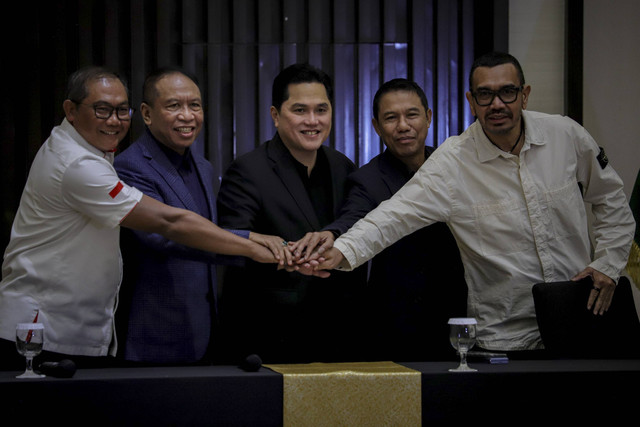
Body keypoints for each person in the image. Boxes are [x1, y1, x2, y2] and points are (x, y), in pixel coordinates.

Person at [312, 52, 635, 356]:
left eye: (507, 92)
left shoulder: (566, 135)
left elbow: (610, 198)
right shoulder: (453, 161)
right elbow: (392, 216)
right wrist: (340, 252)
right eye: (484, 94)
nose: (497, 104)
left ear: (525, 95)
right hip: (505, 336)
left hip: (582, 315)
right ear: (471, 101)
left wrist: (608, 262)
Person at [0, 66, 285, 370]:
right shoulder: (79, 164)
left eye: (122, 110)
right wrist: (251, 246)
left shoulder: (96, 151)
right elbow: (167, 225)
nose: (114, 120)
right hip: (41, 329)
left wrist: (252, 238)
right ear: (71, 110)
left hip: (80, 326)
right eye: (102, 110)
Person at [113, 68, 286, 365]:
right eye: (173, 106)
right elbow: (167, 238)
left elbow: (209, 232)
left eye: (194, 105)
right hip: (155, 331)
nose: (187, 115)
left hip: (203, 330)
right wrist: (252, 247)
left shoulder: (203, 166)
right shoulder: (129, 167)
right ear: (147, 113)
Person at [292, 79, 467, 361]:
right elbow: (353, 218)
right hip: (399, 329)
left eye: (411, 114)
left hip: (461, 317)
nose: (403, 126)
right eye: (391, 118)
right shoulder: (367, 180)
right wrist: (333, 236)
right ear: (376, 127)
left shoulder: (455, 165)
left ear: (429, 117)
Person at [216, 63, 368, 364]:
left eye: (321, 110)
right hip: (273, 336)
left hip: (340, 334)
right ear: (275, 115)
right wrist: (292, 256)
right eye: (300, 110)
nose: (313, 121)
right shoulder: (247, 171)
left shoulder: (342, 166)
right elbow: (233, 243)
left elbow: (358, 221)